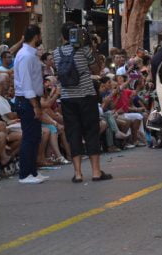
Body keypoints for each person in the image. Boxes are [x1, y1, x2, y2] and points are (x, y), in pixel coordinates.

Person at [53, 22, 111, 183]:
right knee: (91, 132)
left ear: (62, 36)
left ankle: (78, 173)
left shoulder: (56, 52)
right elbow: (96, 70)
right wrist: (90, 46)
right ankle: (95, 172)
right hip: (86, 96)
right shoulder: (84, 50)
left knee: (73, 134)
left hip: (67, 98)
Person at [14, 25, 47, 184]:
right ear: (36, 36)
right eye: (39, 35)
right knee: (29, 137)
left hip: (32, 99)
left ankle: (32, 172)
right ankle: (25, 174)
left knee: (35, 136)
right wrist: (35, 105)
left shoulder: (30, 54)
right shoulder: (26, 56)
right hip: (27, 101)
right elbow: (27, 84)